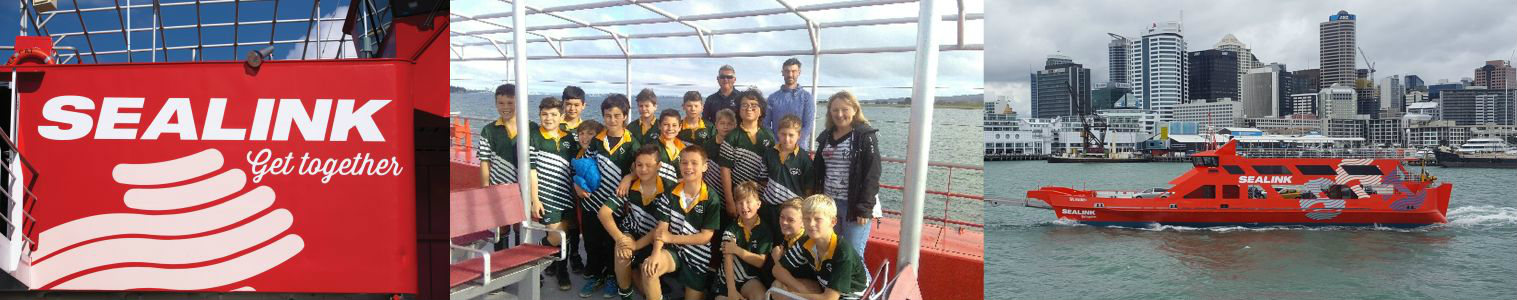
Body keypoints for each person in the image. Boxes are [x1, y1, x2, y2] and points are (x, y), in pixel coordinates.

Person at [578, 94, 641, 297]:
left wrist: (629, 177)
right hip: (592, 201)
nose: (612, 120)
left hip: (616, 202)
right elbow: (584, 166)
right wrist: (577, 185)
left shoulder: (633, 143)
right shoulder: (597, 141)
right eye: (608, 116)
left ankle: (613, 276)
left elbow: (641, 169)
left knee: (610, 242)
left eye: (616, 115)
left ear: (625, 116)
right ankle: (596, 274)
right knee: (592, 241)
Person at [642, 145, 722, 300]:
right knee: (649, 267)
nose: (688, 167)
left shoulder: (711, 198)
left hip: (698, 257)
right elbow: (661, 228)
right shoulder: (671, 192)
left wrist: (671, 238)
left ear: (705, 166)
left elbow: (705, 237)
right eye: (684, 163)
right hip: (674, 251)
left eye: (694, 163)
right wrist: (655, 254)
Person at [809, 91, 880, 261]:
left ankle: (865, 287)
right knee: (829, 252)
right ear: (830, 112)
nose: (839, 114)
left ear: (855, 109)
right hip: (828, 206)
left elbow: (873, 172)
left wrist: (865, 208)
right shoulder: (826, 136)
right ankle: (833, 287)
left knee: (852, 258)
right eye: (835, 110)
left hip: (853, 206)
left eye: (845, 109)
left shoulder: (864, 136)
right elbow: (818, 169)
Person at [599, 145, 672, 300]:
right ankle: (625, 294)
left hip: (655, 238)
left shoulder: (669, 189)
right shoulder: (629, 185)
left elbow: (662, 227)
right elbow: (603, 213)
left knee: (648, 281)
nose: (643, 169)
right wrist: (621, 239)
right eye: (639, 165)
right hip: (632, 230)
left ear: (659, 166)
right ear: (634, 166)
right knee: (622, 251)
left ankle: (635, 271)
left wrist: (636, 246)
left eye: (649, 165)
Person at [526, 97, 580, 290]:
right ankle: (529, 256)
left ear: (561, 116)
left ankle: (560, 269)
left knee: (564, 235)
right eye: (544, 114)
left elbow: (575, 167)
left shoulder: (569, 138)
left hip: (567, 194)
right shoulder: (534, 137)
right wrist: (535, 199)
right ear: (540, 115)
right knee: (557, 237)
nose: (549, 118)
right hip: (547, 195)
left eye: (553, 114)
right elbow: (531, 171)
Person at [772, 195, 868, 300]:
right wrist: (800, 289)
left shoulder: (842, 252)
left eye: (818, 219)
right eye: (807, 219)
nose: (811, 224)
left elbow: (830, 298)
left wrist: (794, 297)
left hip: (850, 295)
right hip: (825, 288)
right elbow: (777, 270)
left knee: (783, 294)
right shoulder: (806, 242)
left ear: (833, 222)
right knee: (778, 286)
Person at [478, 84, 523, 251]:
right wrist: (485, 189)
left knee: (521, 226)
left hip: (522, 189)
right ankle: (500, 267)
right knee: (502, 227)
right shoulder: (488, 130)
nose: (506, 107)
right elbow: (484, 162)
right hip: (498, 189)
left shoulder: (530, 128)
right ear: (496, 104)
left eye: (510, 103)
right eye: (501, 103)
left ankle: (521, 263)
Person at [715, 182, 777, 300]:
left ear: (758, 204)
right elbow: (728, 260)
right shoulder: (731, 229)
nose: (744, 206)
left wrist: (736, 250)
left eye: (748, 202)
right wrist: (732, 290)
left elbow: (760, 262)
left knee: (761, 297)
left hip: (749, 278)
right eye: (740, 202)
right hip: (726, 279)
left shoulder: (765, 230)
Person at [719, 89, 776, 217]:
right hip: (740, 199)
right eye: (744, 105)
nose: (749, 108)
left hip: (762, 198)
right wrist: (729, 202)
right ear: (739, 110)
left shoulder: (769, 135)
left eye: (754, 105)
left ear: (761, 110)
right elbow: (725, 170)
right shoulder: (732, 137)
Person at [760, 115, 814, 228]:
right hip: (769, 207)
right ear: (778, 133)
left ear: (799, 135)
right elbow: (763, 180)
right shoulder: (769, 154)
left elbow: (808, 187)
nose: (787, 138)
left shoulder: (804, 158)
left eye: (791, 135)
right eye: (783, 134)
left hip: (792, 210)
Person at [562, 85, 590, 273]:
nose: (572, 108)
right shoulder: (556, 124)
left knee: (575, 221)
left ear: (583, 106)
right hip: (559, 179)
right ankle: (558, 259)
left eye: (576, 104)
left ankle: (574, 255)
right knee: (560, 221)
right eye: (568, 104)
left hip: (579, 182)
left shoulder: (586, 128)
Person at [765, 58, 815, 150]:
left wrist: (793, 144)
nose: (790, 74)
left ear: (799, 72)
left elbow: (808, 125)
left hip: (799, 150)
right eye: (787, 71)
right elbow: (766, 124)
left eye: (794, 71)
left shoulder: (807, 98)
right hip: (776, 148)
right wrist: (777, 142)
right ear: (782, 72)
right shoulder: (772, 98)